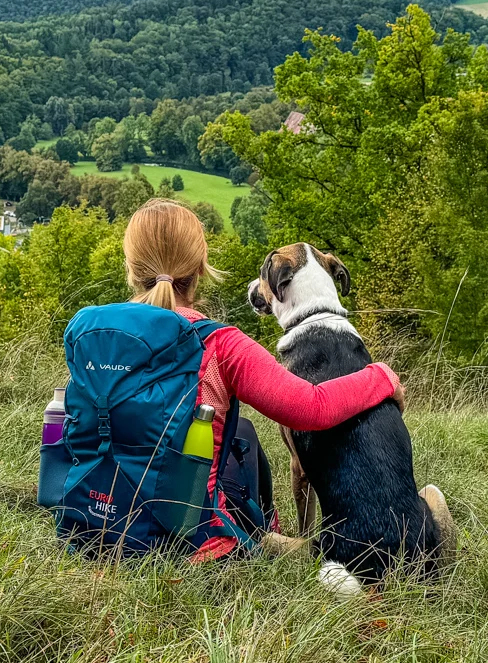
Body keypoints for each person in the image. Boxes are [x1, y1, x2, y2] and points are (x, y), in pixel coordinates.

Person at [114, 198, 400, 561]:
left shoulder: (90, 330)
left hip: (92, 522)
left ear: (130, 265)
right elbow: (311, 408)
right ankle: (272, 537)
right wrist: (381, 377)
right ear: (201, 265)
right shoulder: (219, 343)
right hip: (193, 544)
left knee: (243, 429)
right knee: (241, 437)